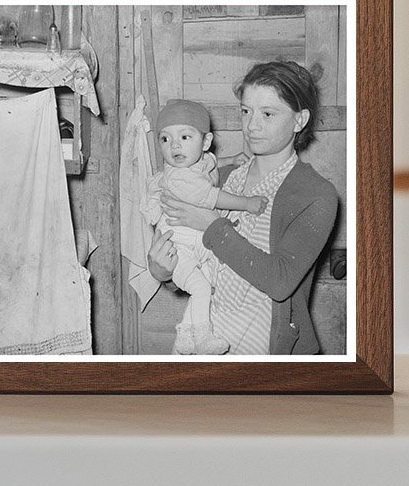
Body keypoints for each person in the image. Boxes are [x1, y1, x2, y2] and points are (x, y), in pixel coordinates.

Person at [148, 61, 339, 356]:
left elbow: (279, 281)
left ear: (299, 120)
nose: (252, 125)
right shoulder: (221, 180)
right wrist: (161, 269)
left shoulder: (316, 195)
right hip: (205, 342)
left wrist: (211, 225)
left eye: (267, 114)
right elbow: (195, 265)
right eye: (246, 111)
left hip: (262, 353)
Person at [142, 99, 266, 355]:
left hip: (199, 249)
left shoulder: (198, 163)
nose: (174, 145)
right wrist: (248, 204)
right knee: (200, 287)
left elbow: (205, 168)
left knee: (206, 286)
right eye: (165, 139)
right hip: (180, 250)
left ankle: (185, 336)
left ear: (206, 142)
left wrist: (230, 159)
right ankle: (202, 338)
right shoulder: (176, 176)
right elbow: (211, 196)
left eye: (185, 137)